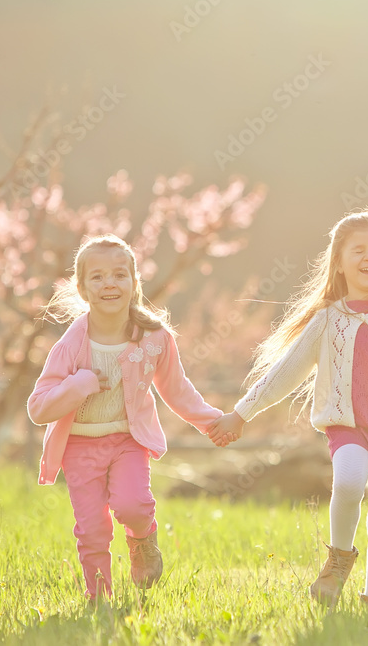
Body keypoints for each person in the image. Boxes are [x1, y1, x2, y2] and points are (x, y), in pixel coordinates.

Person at [207, 208, 368, 607]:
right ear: (340, 262)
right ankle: (339, 559)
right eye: (359, 250)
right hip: (348, 426)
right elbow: (286, 371)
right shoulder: (329, 320)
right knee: (347, 482)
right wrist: (240, 413)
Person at [27, 234, 223, 602]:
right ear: (82, 289)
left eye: (119, 275)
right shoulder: (70, 345)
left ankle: (143, 539)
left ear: (134, 282)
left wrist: (212, 421)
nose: (109, 284)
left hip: (128, 441)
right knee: (92, 529)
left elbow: (177, 390)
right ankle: (99, 598)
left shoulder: (154, 338)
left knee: (133, 505)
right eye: (97, 277)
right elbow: (38, 408)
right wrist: (78, 385)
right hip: (79, 446)